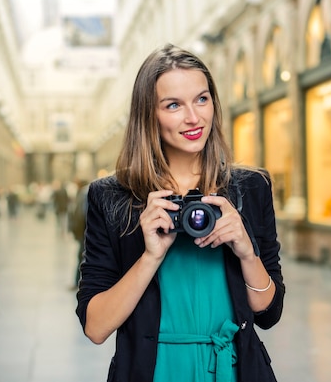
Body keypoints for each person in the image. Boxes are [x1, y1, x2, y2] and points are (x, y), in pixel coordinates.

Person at [76, 44, 285, 382]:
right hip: (155, 371)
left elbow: (268, 313)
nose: (193, 117)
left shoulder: (250, 187)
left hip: (235, 369)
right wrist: (149, 257)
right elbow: (96, 328)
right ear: (149, 115)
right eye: (173, 105)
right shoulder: (112, 196)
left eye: (202, 99)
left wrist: (246, 250)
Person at [69, 178, 89, 289]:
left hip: (85, 233)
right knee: (82, 257)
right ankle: (78, 282)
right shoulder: (83, 194)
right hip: (84, 232)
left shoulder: (84, 194)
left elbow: (82, 214)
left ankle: (78, 282)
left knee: (81, 257)